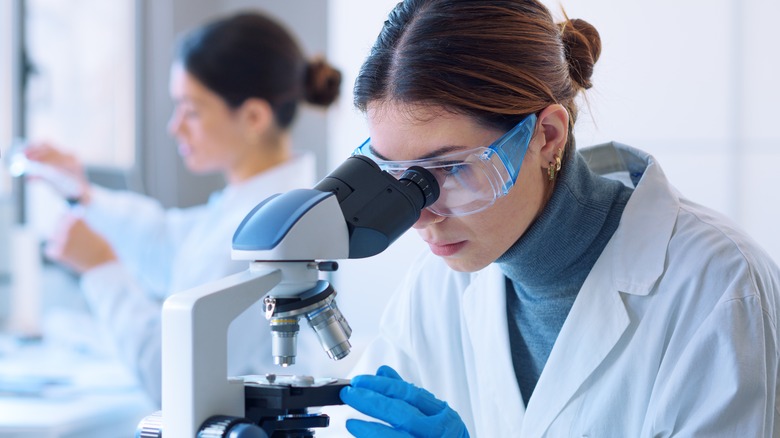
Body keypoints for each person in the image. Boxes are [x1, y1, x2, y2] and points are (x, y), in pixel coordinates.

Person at [329, 0, 780, 436]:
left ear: (547, 135)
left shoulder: (717, 285)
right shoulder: (434, 287)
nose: (420, 217)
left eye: (451, 169)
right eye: (394, 177)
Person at [25, 11, 342, 406]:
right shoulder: (252, 207)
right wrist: (81, 195)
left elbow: (175, 382)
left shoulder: (270, 233)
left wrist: (101, 271)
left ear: (254, 117)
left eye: (191, 110)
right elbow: (168, 241)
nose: (175, 127)